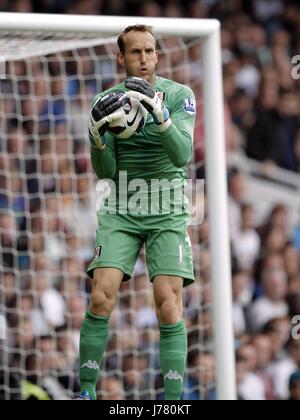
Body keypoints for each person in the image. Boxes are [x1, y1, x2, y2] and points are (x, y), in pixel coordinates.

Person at [76, 25, 196, 401]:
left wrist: (160, 116)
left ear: (157, 55)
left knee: (167, 302)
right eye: (135, 52)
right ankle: (86, 391)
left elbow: (182, 155)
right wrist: (97, 138)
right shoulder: (107, 101)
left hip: (166, 207)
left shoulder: (179, 95)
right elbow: (106, 171)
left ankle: (173, 401)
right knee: (101, 296)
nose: (144, 58)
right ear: (121, 58)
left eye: (150, 51)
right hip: (122, 207)